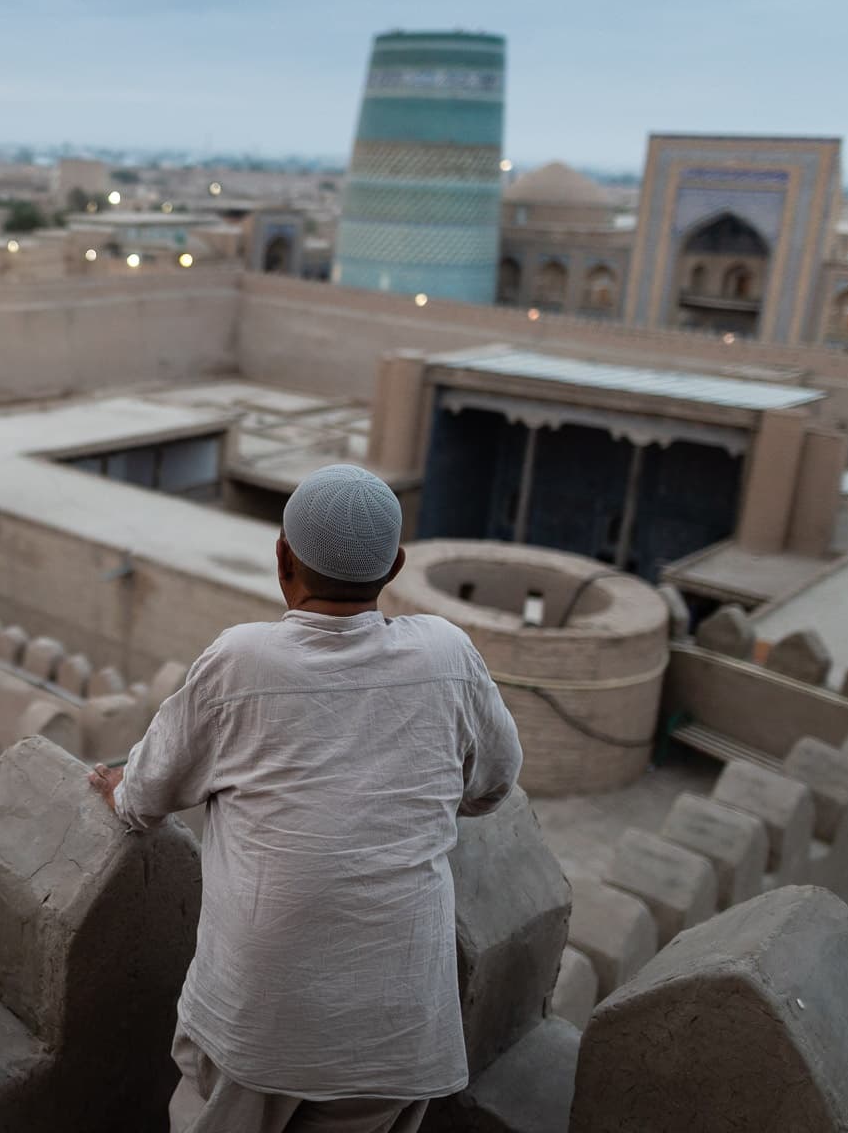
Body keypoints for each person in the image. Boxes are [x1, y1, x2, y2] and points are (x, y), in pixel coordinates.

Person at [88, 464, 522, 1133]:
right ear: (396, 566)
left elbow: (146, 794)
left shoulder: (242, 660)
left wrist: (120, 788)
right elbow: (494, 782)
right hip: (399, 1036)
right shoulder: (448, 653)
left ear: (282, 558)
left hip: (258, 1029)